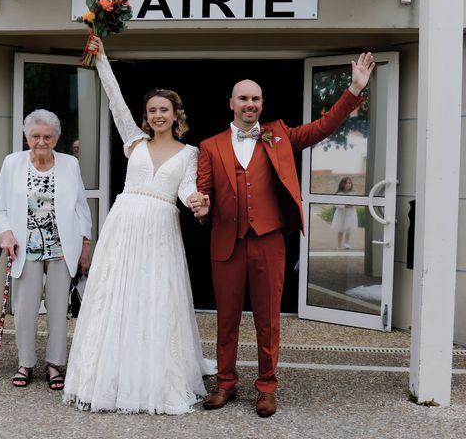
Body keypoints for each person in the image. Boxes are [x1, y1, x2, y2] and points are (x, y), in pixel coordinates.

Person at [191, 52, 375, 417]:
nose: (250, 104)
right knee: (226, 318)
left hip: (268, 240)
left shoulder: (279, 135)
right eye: (243, 98)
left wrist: (354, 89)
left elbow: (322, 127)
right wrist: (202, 206)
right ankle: (225, 383)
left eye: (256, 99)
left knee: (268, 319)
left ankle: (266, 387)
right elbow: (204, 189)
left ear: (262, 104)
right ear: (231, 103)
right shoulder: (210, 146)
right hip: (226, 243)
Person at [63, 36, 215, 414]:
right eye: (152, 110)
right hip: (126, 223)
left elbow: (186, 190)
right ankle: (105, 375)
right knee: (116, 295)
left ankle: (153, 376)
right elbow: (114, 99)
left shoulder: (190, 153)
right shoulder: (134, 142)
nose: (158, 115)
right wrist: (101, 60)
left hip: (161, 227)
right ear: (146, 116)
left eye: (164, 109)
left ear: (176, 114)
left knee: (155, 297)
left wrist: (197, 202)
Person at [0, 109, 92, 391]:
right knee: (25, 309)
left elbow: (81, 208)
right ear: (26, 136)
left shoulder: (70, 164)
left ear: (56, 138)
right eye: (35, 136)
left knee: (59, 309)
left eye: (47, 136)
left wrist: (85, 244)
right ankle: (26, 363)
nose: (41, 141)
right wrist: (5, 233)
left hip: (61, 246)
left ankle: (55, 364)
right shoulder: (13, 163)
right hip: (26, 247)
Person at [331, 176, 358, 249]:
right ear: (342, 184)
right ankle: (339, 244)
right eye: (346, 183)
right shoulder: (339, 194)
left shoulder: (353, 194)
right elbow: (335, 203)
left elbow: (356, 202)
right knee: (340, 228)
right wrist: (343, 206)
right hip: (341, 214)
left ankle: (346, 243)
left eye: (349, 183)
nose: (348, 184)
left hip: (350, 213)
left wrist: (352, 205)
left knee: (348, 228)